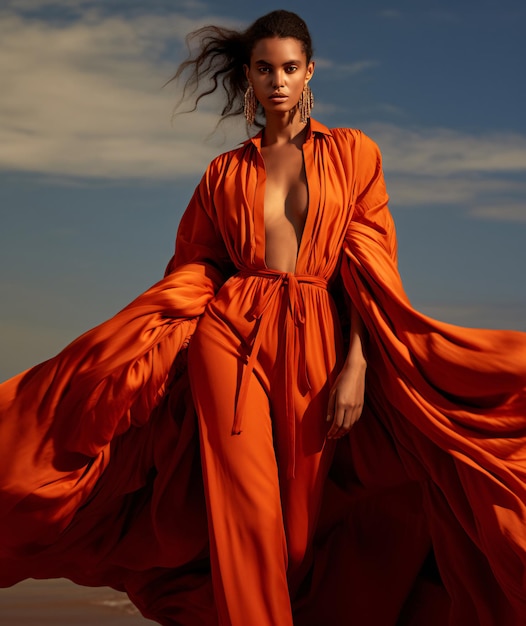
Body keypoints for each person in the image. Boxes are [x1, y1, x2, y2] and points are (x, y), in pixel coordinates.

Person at [0, 9, 525, 626]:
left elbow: (374, 269)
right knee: (247, 519)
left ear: (310, 73)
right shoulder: (223, 172)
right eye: (265, 69)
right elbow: (193, 266)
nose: (278, 81)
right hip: (232, 338)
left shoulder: (355, 153)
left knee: (296, 539)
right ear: (249, 76)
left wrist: (357, 362)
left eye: (290, 68)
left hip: (321, 341)